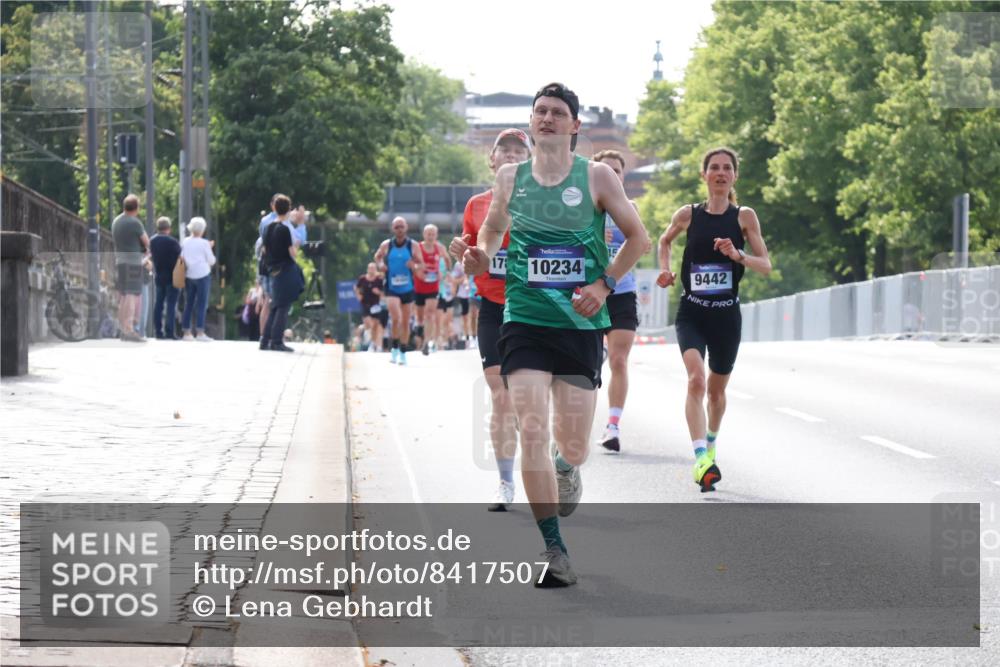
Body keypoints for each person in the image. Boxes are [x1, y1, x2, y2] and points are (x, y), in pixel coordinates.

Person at [461, 83, 647, 587]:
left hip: (580, 321)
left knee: (573, 444)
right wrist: (481, 254)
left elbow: (639, 237)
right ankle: (554, 550)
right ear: (532, 119)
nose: (546, 118)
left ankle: (569, 467)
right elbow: (493, 230)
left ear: (574, 126)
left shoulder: (598, 176)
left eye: (557, 113)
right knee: (532, 430)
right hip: (522, 316)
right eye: (540, 111)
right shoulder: (509, 177)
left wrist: (605, 284)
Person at [656, 147, 772, 492]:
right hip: (691, 312)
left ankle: (711, 439)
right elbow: (664, 240)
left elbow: (765, 266)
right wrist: (664, 270)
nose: (720, 173)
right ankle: (701, 458)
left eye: (727, 168)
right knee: (696, 381)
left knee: (717, 394)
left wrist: (738, 255)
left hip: (726, 316)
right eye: (714, 168)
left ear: (734, 176)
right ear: (704, 175)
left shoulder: (744, 217)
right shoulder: (688, 215)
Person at [450, 127, 532, 511]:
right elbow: (472, 260)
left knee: (525, 397)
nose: (512, 155)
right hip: (493, 306)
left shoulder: (546, 204)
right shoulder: (476, 205)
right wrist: (463, 253)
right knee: (499, 394)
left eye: (520, 151)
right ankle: (504, 482)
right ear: (492, 160)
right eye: (506, 150)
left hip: (533, 308)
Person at [592, 149, 650, 452]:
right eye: (606, 169)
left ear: (623, 175)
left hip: (622, 292)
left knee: (618, 360)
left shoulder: (631, 206)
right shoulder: (585, 206)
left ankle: (612, 425)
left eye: (617, 170)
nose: (612, 174)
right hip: (588, 293)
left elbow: (643, 243)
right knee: (585, 365)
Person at [373, 216, 424, 365]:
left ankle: (402, 351)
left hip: (407, 287)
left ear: (406, 227)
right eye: (396, 227)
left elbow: (421, 264)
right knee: (396, 317)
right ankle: (393, 348)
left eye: (401, 226)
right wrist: (380, 265)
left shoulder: (412, 245)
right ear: (392, 229)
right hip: (391, 287)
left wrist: (413, 266)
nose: (399, 229)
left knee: (406, 321)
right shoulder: (387, 244)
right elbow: (377, 257)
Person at [260, 194, 302, 352]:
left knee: (275, 305)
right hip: (285, 269)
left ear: (274, 208)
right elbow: (292, 253)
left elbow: (264, 249)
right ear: (289, 209)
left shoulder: (268, 227)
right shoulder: (284, 230)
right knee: (283, 306)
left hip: (272, 269)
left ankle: (265, 340)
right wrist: (296, 246)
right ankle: (277, 341)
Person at [111, 194, 150, 342]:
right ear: (137, 208)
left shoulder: (116, 221)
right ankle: (129, 330)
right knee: (131, 297)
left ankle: (122, 328)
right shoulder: (135, 223)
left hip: (120, 261)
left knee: (123, 296)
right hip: (133, 263)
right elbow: (147, 243)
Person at [413, 224, 451, 355]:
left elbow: (447, 260)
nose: (430, 237)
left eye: (433, 234)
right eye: (428, 234)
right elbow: (411, 263)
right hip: (419, 286)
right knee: (420, 317)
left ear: (436, 235)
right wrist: (417, 270)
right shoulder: (417, 247)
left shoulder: (439, 248)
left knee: (430, 314)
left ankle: (426, 343)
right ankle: (419, 328)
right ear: (424, 235)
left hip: (433, 286)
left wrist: (444, 272)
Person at [180, 216, 216, 341]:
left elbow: (182, 257)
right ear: (202, 230)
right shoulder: (204, 243)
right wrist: (209, 248)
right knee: (201, 303)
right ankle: (200, 332)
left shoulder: (185, 241)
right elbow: (211, 261)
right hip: (202, 274)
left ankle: (186, 332)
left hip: (189, 274)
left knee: (188, 303)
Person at [149, 216, 181, 340]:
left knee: (159, 304)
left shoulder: (152, 241)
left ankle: (158, 331)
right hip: (172, 277)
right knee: (171, 305)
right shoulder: (173, 242)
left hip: (159, 276)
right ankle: (170, 331)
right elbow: (180, 259)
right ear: (168, 228)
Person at [356, 262, 386, 353]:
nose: (371, 270)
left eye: (373, 268)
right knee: (368, 322)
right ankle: (367, 335)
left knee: (375, 325)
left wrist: (378, 293)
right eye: (370, 268)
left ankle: (373, 344)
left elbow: (384, 293)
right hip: (365, 303)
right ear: (367, 269)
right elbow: (357, 288)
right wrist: (358, 296)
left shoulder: (379, 280)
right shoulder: (362, 279)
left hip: (375, 305)